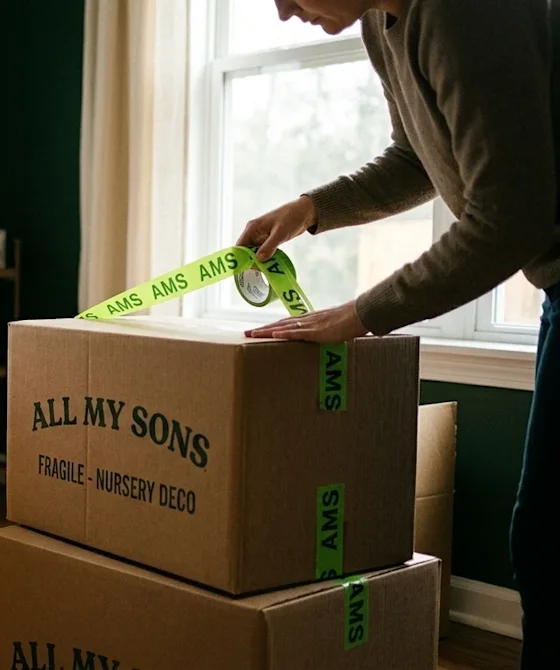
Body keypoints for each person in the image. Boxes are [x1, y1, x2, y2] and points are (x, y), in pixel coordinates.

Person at [238, 1, 559, 667]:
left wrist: (358, 315)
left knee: (549, 538)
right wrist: (313, 209)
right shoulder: (384, 23)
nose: (282, 10)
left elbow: (507, 218)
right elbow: (418, 155)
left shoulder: (463, 12)